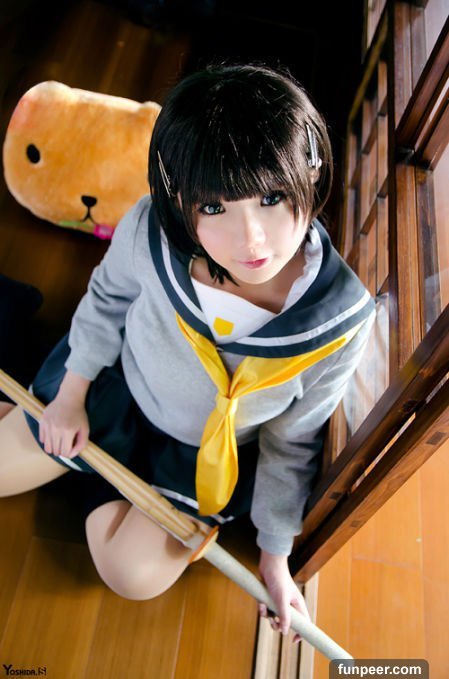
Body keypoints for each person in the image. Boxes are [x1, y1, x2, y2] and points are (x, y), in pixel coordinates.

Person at [0, 64, 375, 641]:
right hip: (115, 390)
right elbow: (106, 300)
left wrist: (275, 558)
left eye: (271, 197)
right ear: (179, 197)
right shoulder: (152, 229)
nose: (251, 239)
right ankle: (71, 448)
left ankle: (88, 471)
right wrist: (71, 396)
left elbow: (294, 439)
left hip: (200, 457)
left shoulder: (340, 320)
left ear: (310, 170)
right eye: (216, 208)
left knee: (132, 576)